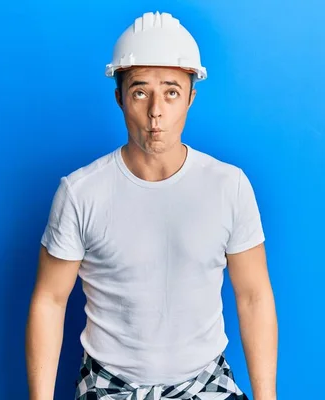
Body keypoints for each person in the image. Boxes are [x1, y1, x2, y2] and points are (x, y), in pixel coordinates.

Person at [25, 11, 278, 400]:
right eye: (140, 92)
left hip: (204, 381)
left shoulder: (229, 186)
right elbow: (50, 299)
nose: (156, 112)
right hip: (109, 384)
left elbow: (254, 295)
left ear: (191, 96)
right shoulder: (80, 192)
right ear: (119, 98)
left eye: (172, 92)